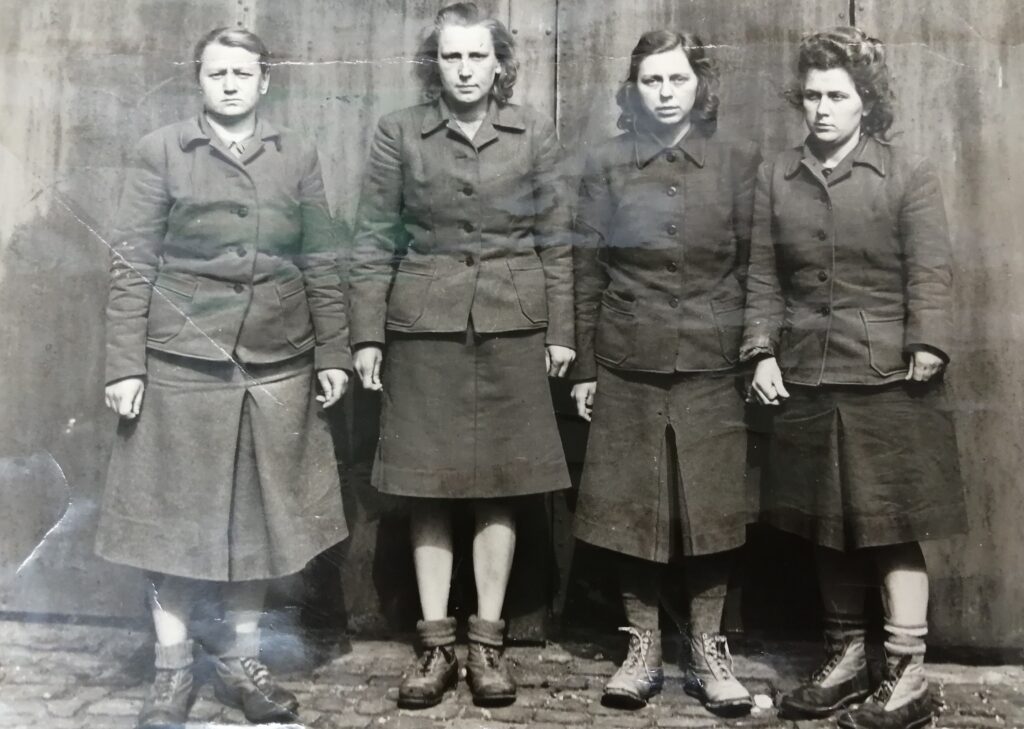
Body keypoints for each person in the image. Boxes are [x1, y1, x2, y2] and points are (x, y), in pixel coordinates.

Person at [97, 27, 351, 729]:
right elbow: (132, 264)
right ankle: (172, 667)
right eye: (218, 72)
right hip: (181, 363)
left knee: (260, 525)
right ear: (199, 79)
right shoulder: (162, 152)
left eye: (244, 72)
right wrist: (125, 363)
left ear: (266, 81)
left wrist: (332, 352)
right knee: (171, 525)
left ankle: (242, 661)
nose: (231, 83)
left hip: (276, 363)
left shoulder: (296, 153)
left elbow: (323, 264)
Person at [348, 1, 574, 709]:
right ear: (434, 64)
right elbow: (372, 239)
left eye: (479, 57)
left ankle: (487, 642)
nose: (467, 70)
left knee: (503, 484)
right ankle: (436, 643)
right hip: (425, 330)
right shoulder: (399, 134)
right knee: (428, 484)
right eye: (453, 57)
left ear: (500, 64)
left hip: (513, 328)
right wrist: (366, 334)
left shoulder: (535, 133)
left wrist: (562, 331)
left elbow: (559, 241)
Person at [742, 26, 967, 729]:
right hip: (809, 372)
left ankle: (905, 674)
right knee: (827, 525)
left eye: (837, 95)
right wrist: (760, 349)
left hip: (890, 377)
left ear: (865, 101)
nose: (822, 109)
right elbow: (760, 275)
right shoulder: (777, 176)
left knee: (892, 525)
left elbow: (928, 270)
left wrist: (927, 340)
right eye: (810, 96)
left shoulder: (906, 173)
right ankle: (845, 659)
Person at [571, 29, 760, 715]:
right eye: (652, 81)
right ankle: (642, 643)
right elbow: (585, 268)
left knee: (710, 504)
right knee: (631, 503)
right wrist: (587, 366)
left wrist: (753, 347)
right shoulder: (607, 163)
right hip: (629, 354)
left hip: (714, 357)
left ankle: (708, 648)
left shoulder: (738, 162)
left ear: (700, 87)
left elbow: (754, 263)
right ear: (635, 88)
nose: (665, 93)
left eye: (677, 80)